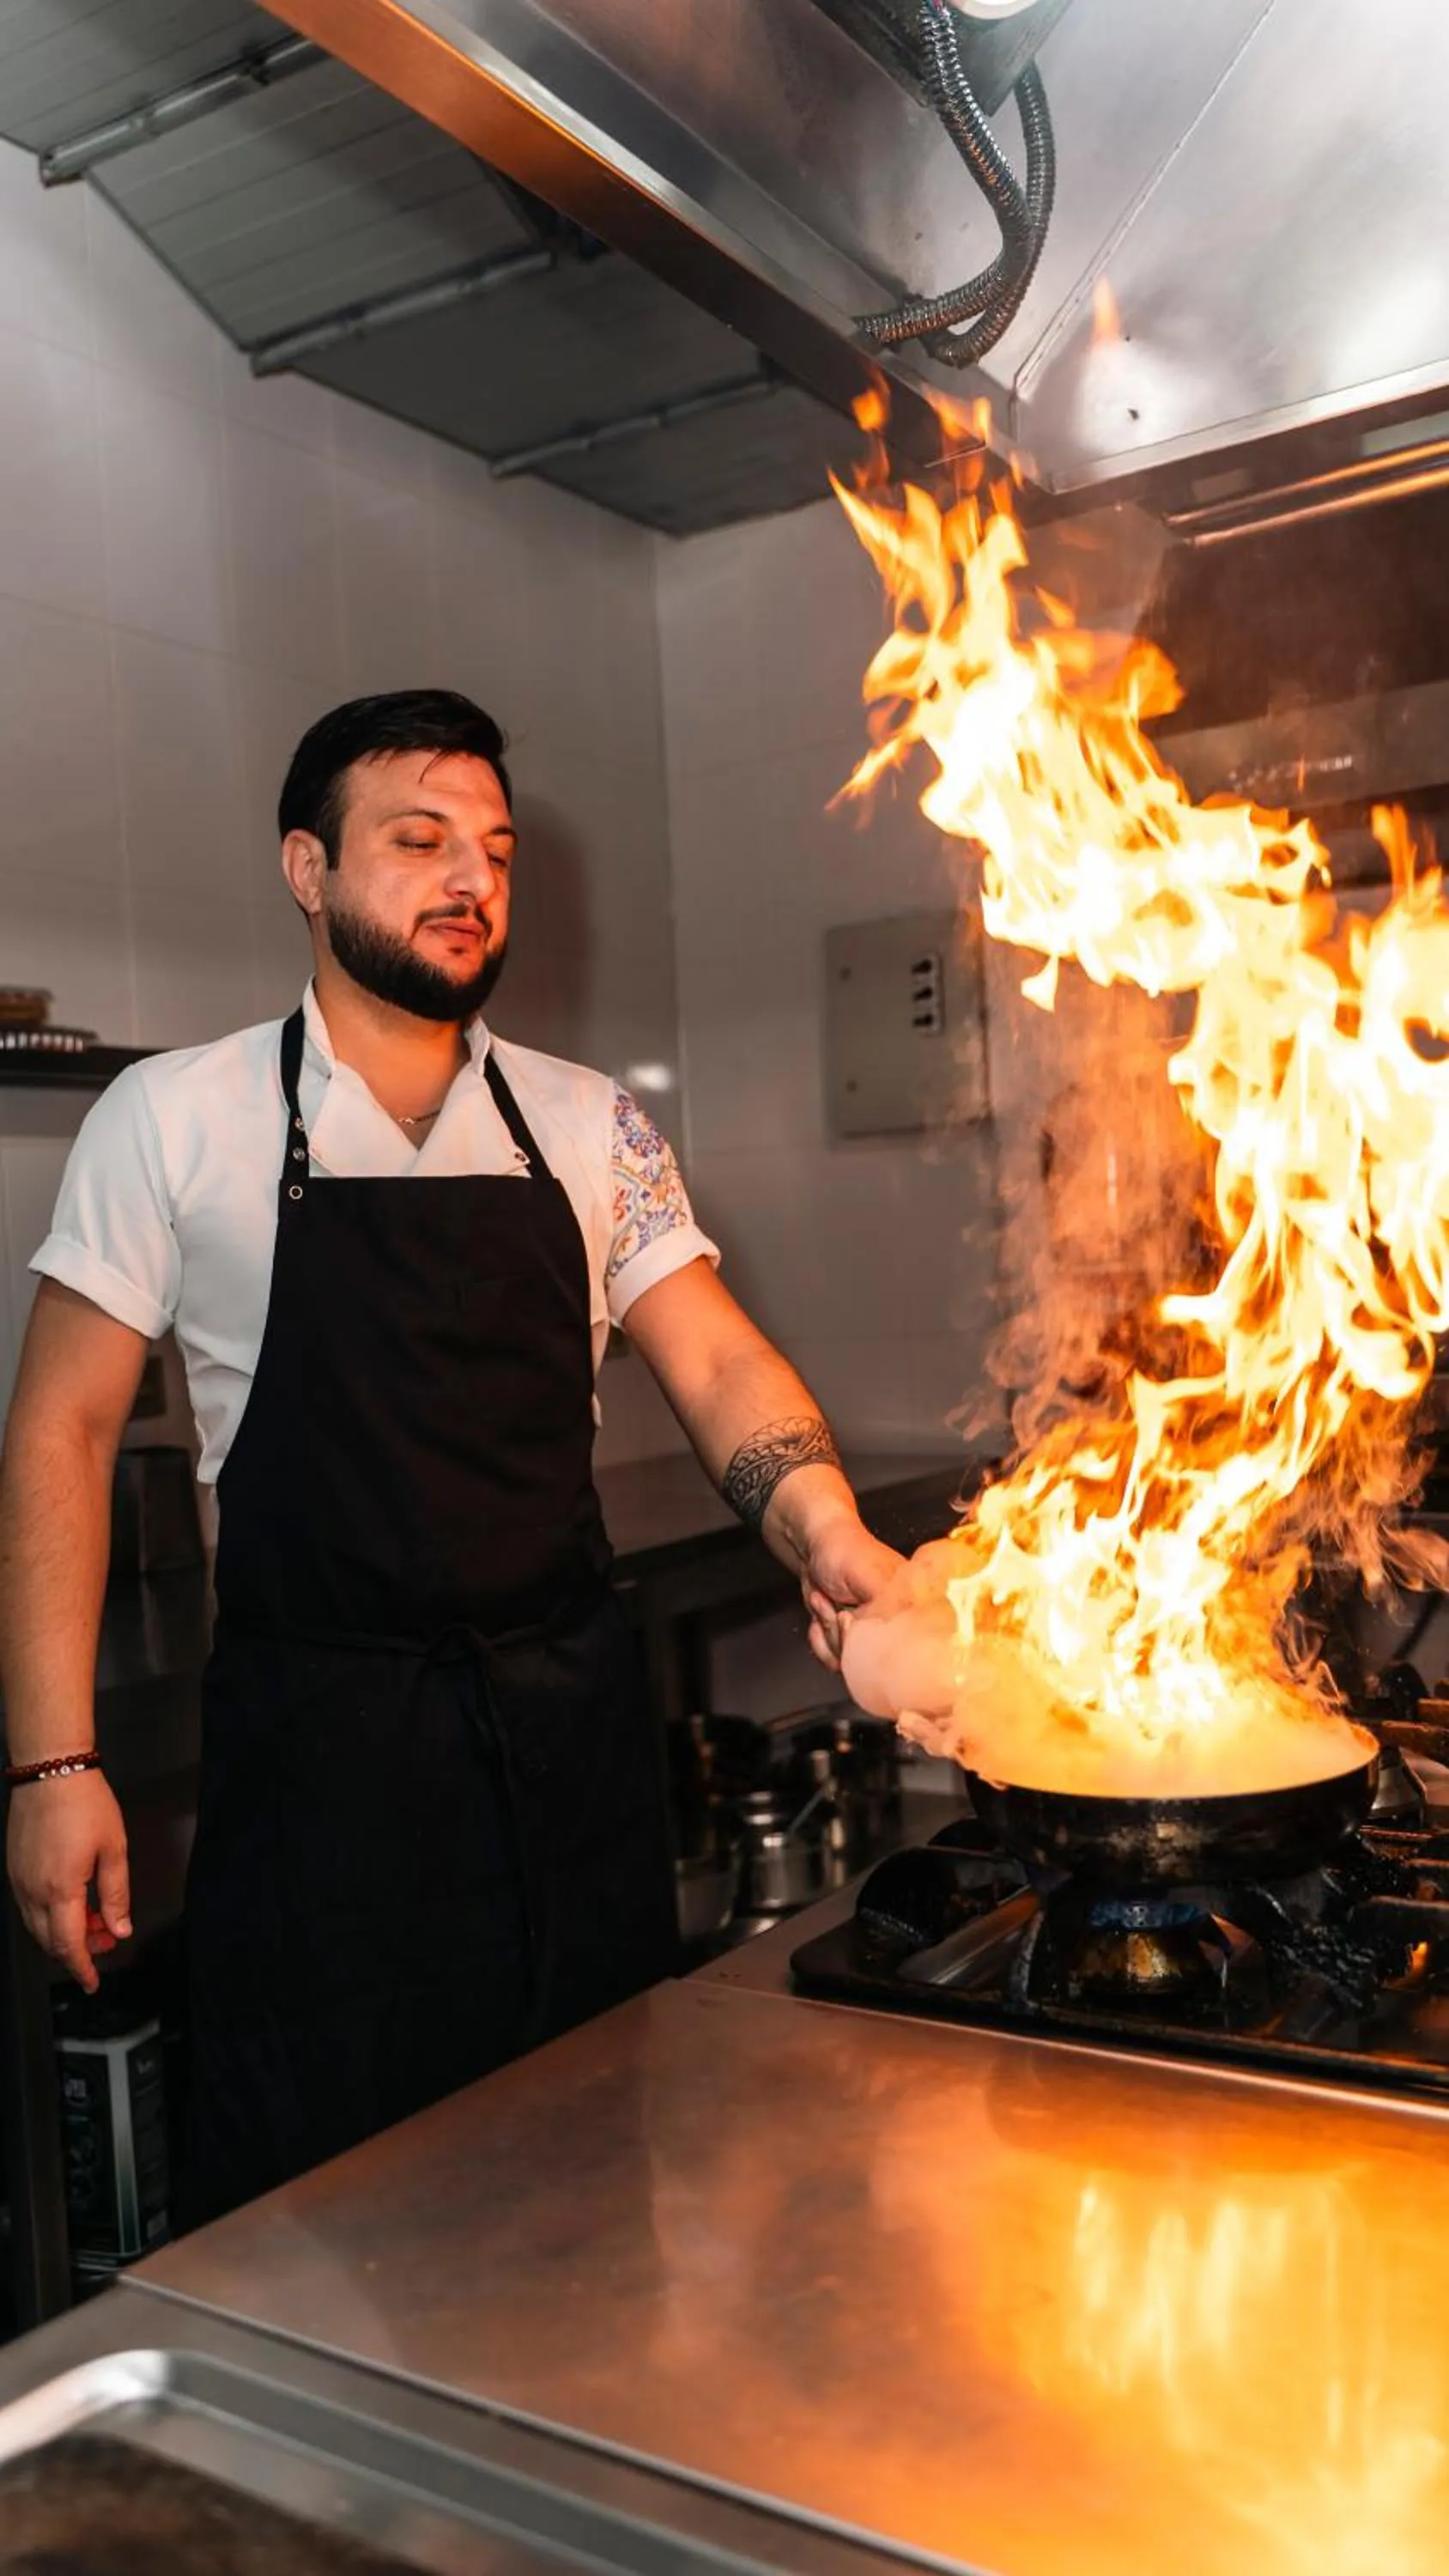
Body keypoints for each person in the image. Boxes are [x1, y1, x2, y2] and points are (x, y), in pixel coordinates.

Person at [0, 690, 902, 2227]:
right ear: (307, 868)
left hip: (568, 1754)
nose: (470, 877)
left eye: (492, 848)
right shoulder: (176, 1117)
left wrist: (828, 1531)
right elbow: (60, 1433)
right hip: (324, 1770)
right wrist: (55, 1763)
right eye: (418, 841)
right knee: (323, 2224)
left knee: (588, 2191)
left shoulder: (589, 1123)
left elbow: (716, 1356)